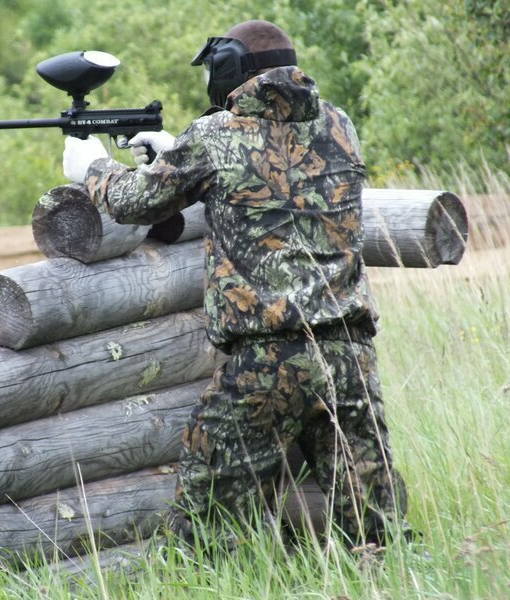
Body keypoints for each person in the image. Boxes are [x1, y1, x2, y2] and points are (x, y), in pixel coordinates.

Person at [62, 20, 409, 550]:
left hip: (265, 366)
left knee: (207, 531)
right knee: (376, 530)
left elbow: (133, 203)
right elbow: (273, 170)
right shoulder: (339, 124)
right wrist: (177, 147)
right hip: (350, 357)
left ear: (227, 72)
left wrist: (92, 167)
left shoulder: (214, 137)